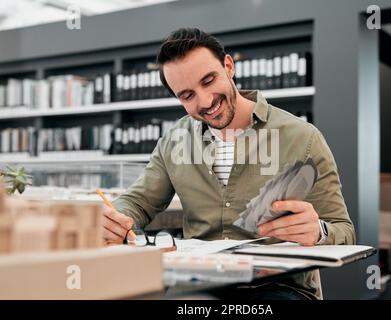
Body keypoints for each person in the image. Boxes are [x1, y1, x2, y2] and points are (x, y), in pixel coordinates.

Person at [102, 27, 355, 300]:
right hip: (197, 284)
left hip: (278, 289)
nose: (206, 101)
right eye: (187, 95)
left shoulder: (302, 137)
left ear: (228, 66)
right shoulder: (175, 140)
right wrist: (114, 218)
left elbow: (344, 231)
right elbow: (138, 202)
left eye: (209, 80)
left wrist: (318, 231)